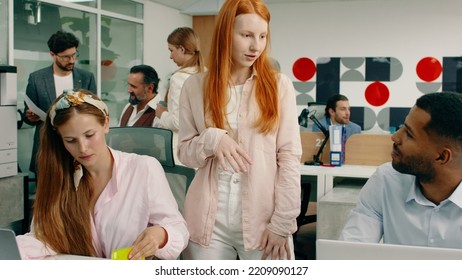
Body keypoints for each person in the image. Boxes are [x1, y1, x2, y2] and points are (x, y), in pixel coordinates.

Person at [178, 0, 302, 260]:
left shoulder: (279, 86)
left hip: (263, 219)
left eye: (262, 36)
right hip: (208, 221)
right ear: (225, 34)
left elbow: (289, 157)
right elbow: (185, 153)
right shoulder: (195, 86)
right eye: (246, 35)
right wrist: (213, 138)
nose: (256, 46)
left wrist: (283, 222)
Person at [17, 89, 189, 259]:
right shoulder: (59, 177)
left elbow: (178, 230)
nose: (83, 148)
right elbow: (42, 238)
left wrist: (160, 235)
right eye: (71, 140)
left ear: (105, 124)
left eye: (90, 135)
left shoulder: (144, 168)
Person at [340, 91, 462, 249]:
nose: (396, 137)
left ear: (442, 157)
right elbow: (352, 249)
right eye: (402, 127)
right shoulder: (386, 180)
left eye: (409, 134)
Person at [24, 30, 96, 175]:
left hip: (80, 148)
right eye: (66, 57)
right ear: (52, 54)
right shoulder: (36, 79)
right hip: (47, 147)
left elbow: (94, 110)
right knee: (48, 195)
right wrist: (30, 117)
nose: (72, 60)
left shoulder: (86, 77)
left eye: (74, 55)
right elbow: (28, 115)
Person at [155, 27, 205, 165]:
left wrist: (162, 114)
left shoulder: (179, 78)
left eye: (171, 50)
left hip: (179, 151)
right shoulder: (207, 75)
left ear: (182, 49)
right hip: (201, 149)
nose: (170, 56)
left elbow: (178, 122)